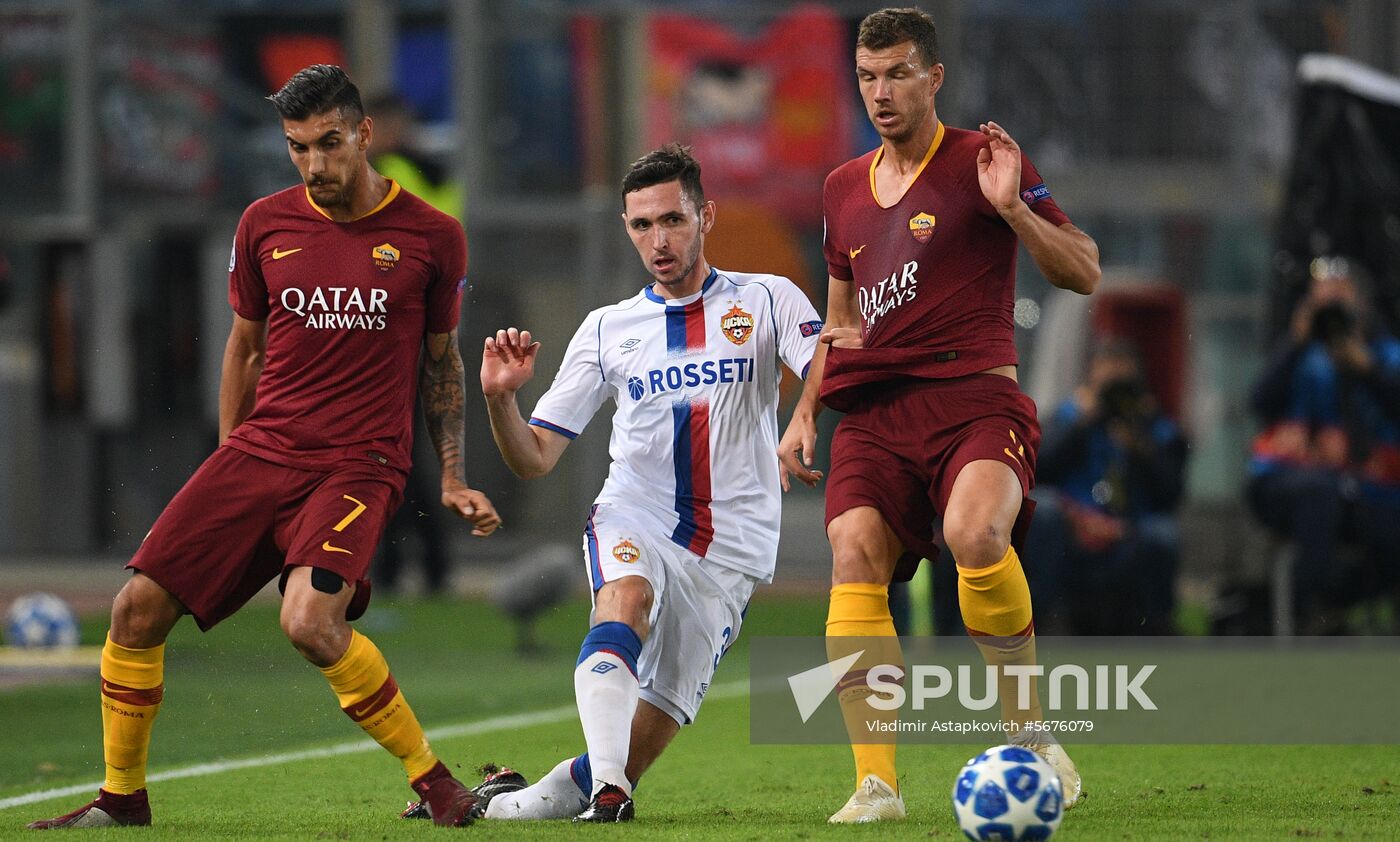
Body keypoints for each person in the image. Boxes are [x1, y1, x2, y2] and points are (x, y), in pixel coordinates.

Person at [29, 65, 501, 831]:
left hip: (361, 461)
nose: (315, 165)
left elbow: (442, 362)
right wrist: (228, 461)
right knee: (134, 612)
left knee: (309, 624)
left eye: (329, 144)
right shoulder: (264, 225)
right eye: (297, 148)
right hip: (262, 451)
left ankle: (435, 782)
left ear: (364, 135)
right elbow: (244, 349)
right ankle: (122, 800)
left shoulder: (432, 235)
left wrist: (450, 472)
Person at [777, 8, 1100, 822]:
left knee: (976, 537)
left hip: (975, 402)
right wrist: (806, 408)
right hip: (876, 414)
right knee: (851, 551)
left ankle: (1029, 735)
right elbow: (840, 316)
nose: (880, 93)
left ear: (934, 77)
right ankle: (876, 786)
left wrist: (1016, 210)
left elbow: (1086, 271)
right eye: (867, 77)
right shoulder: (841, 187)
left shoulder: (983, 161)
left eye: (896, 74)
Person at [466, 143, 821, 823]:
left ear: (704, 215)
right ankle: (609, 801)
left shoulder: (767, 297)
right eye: (641, 225)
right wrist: (499, 401)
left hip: (732, 552)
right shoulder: (607, 329)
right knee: (624, 598)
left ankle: (504, 806)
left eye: (672, 220)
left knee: (631, 747)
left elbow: (825, 356)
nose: (658, 241)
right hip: (638, 511)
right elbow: (535, 457)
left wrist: (805, 413)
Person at [1248, 256, 1400, 632]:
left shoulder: (1384, 353)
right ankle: (1308, 616)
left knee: (1385, 526)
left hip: (1365, 487)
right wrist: (1294, 343)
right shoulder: (1297, 352)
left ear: (1361, 303)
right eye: (1321, 302)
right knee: (1318, 495)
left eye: (1339, 300)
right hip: (1289, 480)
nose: (1329, 311)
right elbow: (1259, 402)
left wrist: (1366, 369)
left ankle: (1339, 608)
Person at [1027, 339, 1188, 635]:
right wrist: (1082, 422)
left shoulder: (1153, 425)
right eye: (1106, 374)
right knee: (1044, 513)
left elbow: (1170, 493)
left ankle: (1157, 631)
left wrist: (1140, 445)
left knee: (1162, 536)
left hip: (1129, 527)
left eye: (1121, 376)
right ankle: (1039, 623)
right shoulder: (1069, 416)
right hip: (1073, 524)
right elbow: (1036, 470)